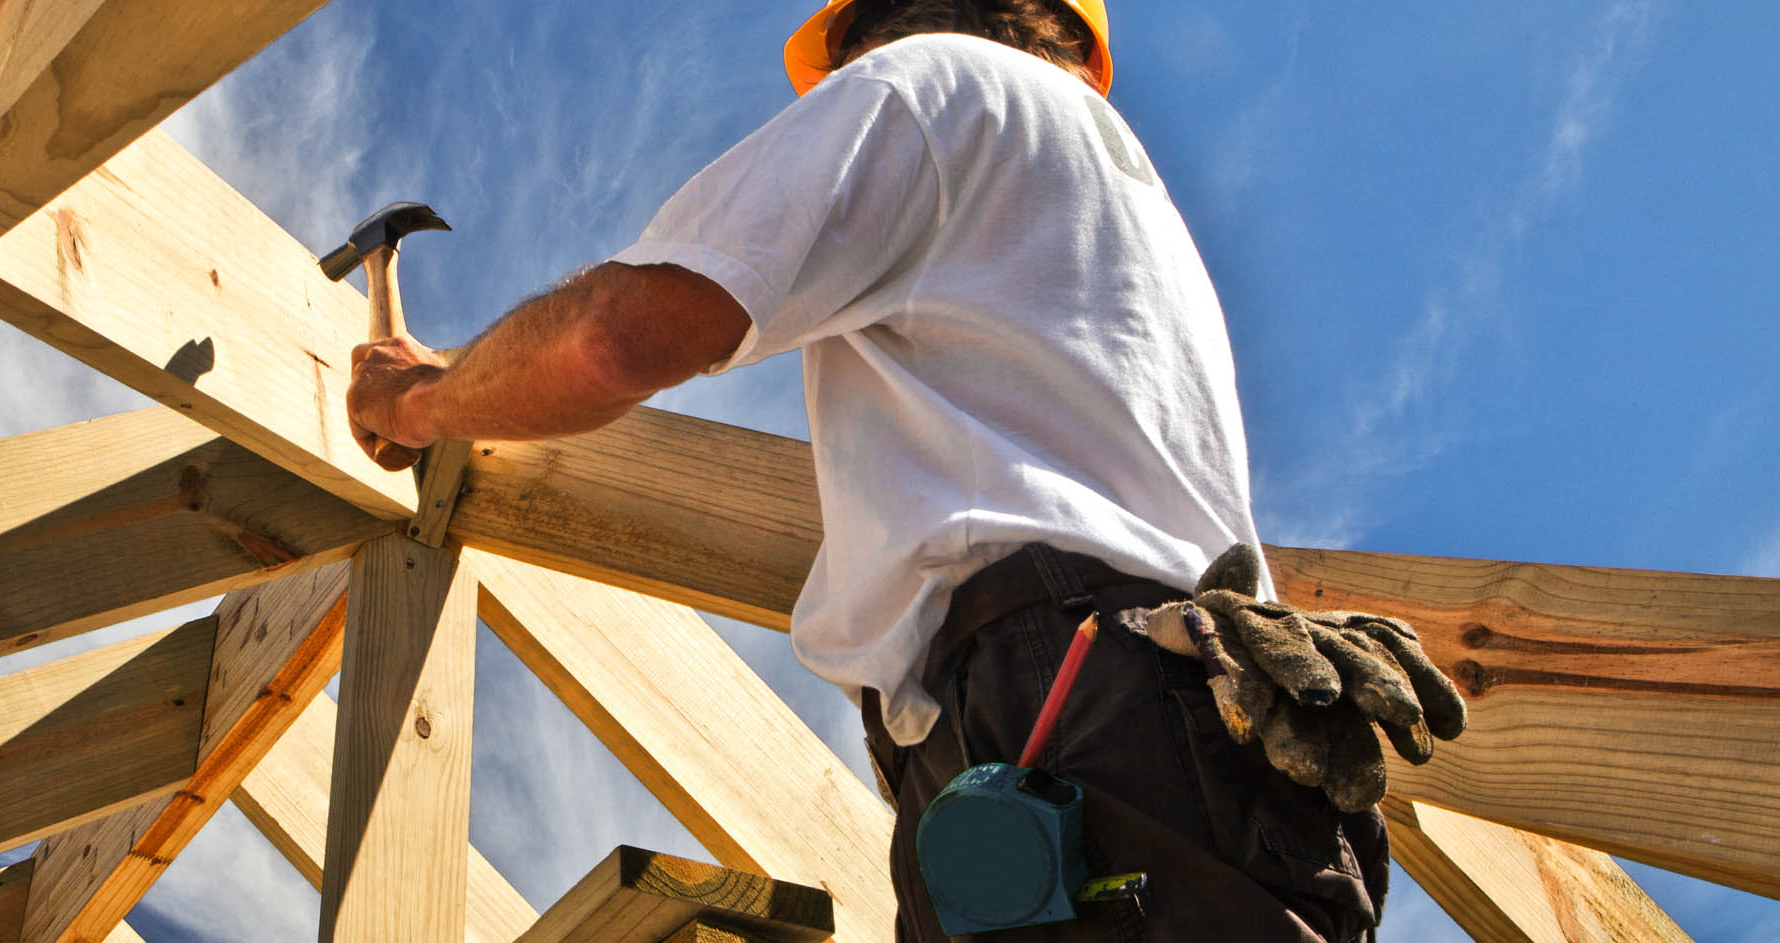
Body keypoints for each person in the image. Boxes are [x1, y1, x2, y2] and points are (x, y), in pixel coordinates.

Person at [345, 2, 1411, 939]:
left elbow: (613, 339)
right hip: (1211, 738)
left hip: (1067, 706)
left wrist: (425, 395)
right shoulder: (1119, 198)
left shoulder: (931, 85)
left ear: (868, 33)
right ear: (1075, 44)